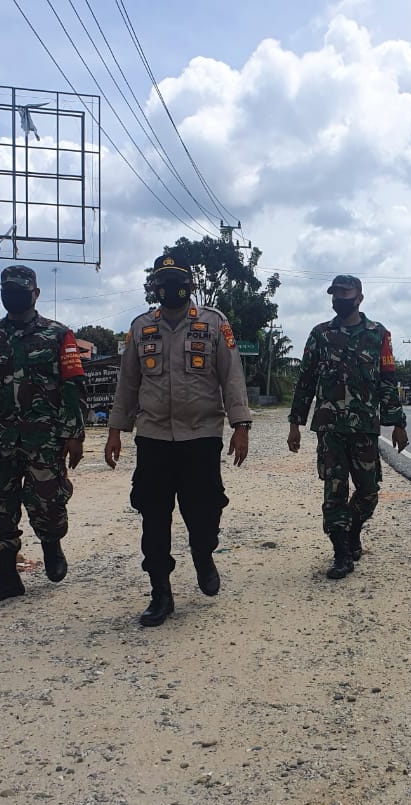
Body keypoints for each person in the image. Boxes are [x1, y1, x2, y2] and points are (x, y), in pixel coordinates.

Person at [104, 251, 251, 627]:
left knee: (204, 511)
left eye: (178, 282)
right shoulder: (140, 328)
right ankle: (161, 594)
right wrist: (115, 431)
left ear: (191, 285)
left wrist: (241, 425)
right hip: (153, 437)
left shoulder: (214, 324)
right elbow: (128, 383)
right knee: (153, 516)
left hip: (201, 436)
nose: (171, 289)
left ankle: (203, 554)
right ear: (154, 288)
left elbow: (231, 376)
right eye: (164, 283)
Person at [0, 264, 87, 601]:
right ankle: (8, 578)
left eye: (21, 289)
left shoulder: (59, 335)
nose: (13, 294)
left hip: (45, 438)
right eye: (6, 289)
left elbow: (73, 386)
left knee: (49, 503)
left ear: (35, 293)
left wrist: (75, 434)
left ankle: (52, 546)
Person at [287, 274, 408, 579]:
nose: (339, 297)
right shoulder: (320, 334)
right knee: (334, 493)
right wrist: (295, 423)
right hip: (330, 429)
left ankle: (353, 530)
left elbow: (387, 381)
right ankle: (341, 553)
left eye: (345, 292)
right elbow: (305, 381)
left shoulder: (378, 334)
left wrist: (398, 423)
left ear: (359, 297)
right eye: (335, 293)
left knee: (369, 491)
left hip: (366, 427)